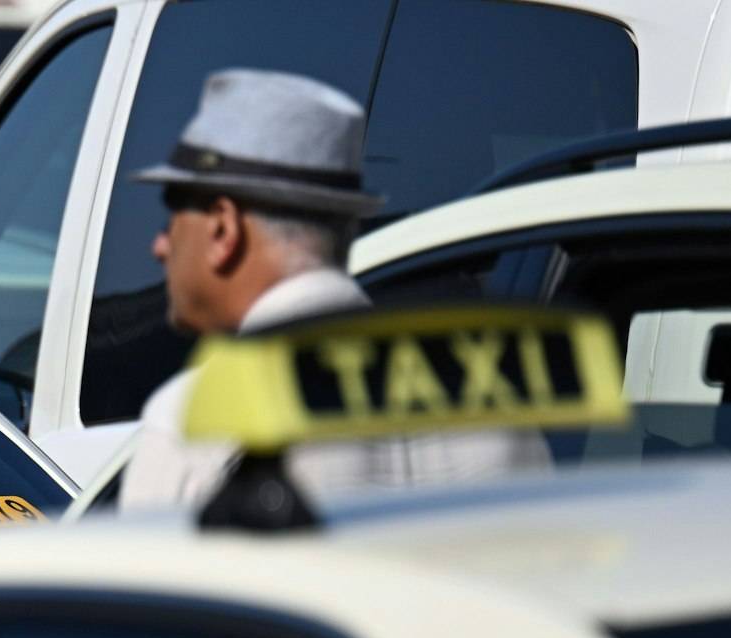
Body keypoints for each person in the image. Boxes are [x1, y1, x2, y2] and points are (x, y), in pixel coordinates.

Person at [119, 69, 548, 513]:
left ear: (224, 229)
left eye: (172, 216)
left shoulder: (194, 421)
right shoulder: (495, 401)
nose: (160, 245)